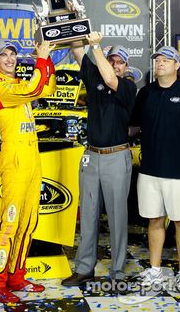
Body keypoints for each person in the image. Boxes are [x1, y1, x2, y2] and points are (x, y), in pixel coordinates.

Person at [131, 46, 180, 293]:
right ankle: (155, 270)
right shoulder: (145, 93)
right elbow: (132, 128)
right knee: (154, 220)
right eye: (158, 60)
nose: (160, 64)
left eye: (166, 60)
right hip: (150, 171)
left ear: (177, 66)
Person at [62, 31, 137, 287]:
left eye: (121, 62)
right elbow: (76, 49)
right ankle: (84, 268)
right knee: (89, 215)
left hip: (117, 157)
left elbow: (109, 77)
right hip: (91, 157)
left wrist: (96, 47)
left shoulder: (127, 86)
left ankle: (117, 273)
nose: (116, 65)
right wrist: (73, 25)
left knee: (117, 218)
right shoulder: (94, 76)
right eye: (112, 60)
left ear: (127, 67)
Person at [0, 38, 56, 305]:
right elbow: (35, 87)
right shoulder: (0, 88)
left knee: (27, 224)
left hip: (31, 160)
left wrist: (46, 58)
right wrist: (42, 58)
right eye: (3, 55)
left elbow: (47, 87)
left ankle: (16, 277)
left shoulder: (16, 84)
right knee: (9, 225)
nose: (10, 59)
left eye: (13, 54)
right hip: (14, 161)